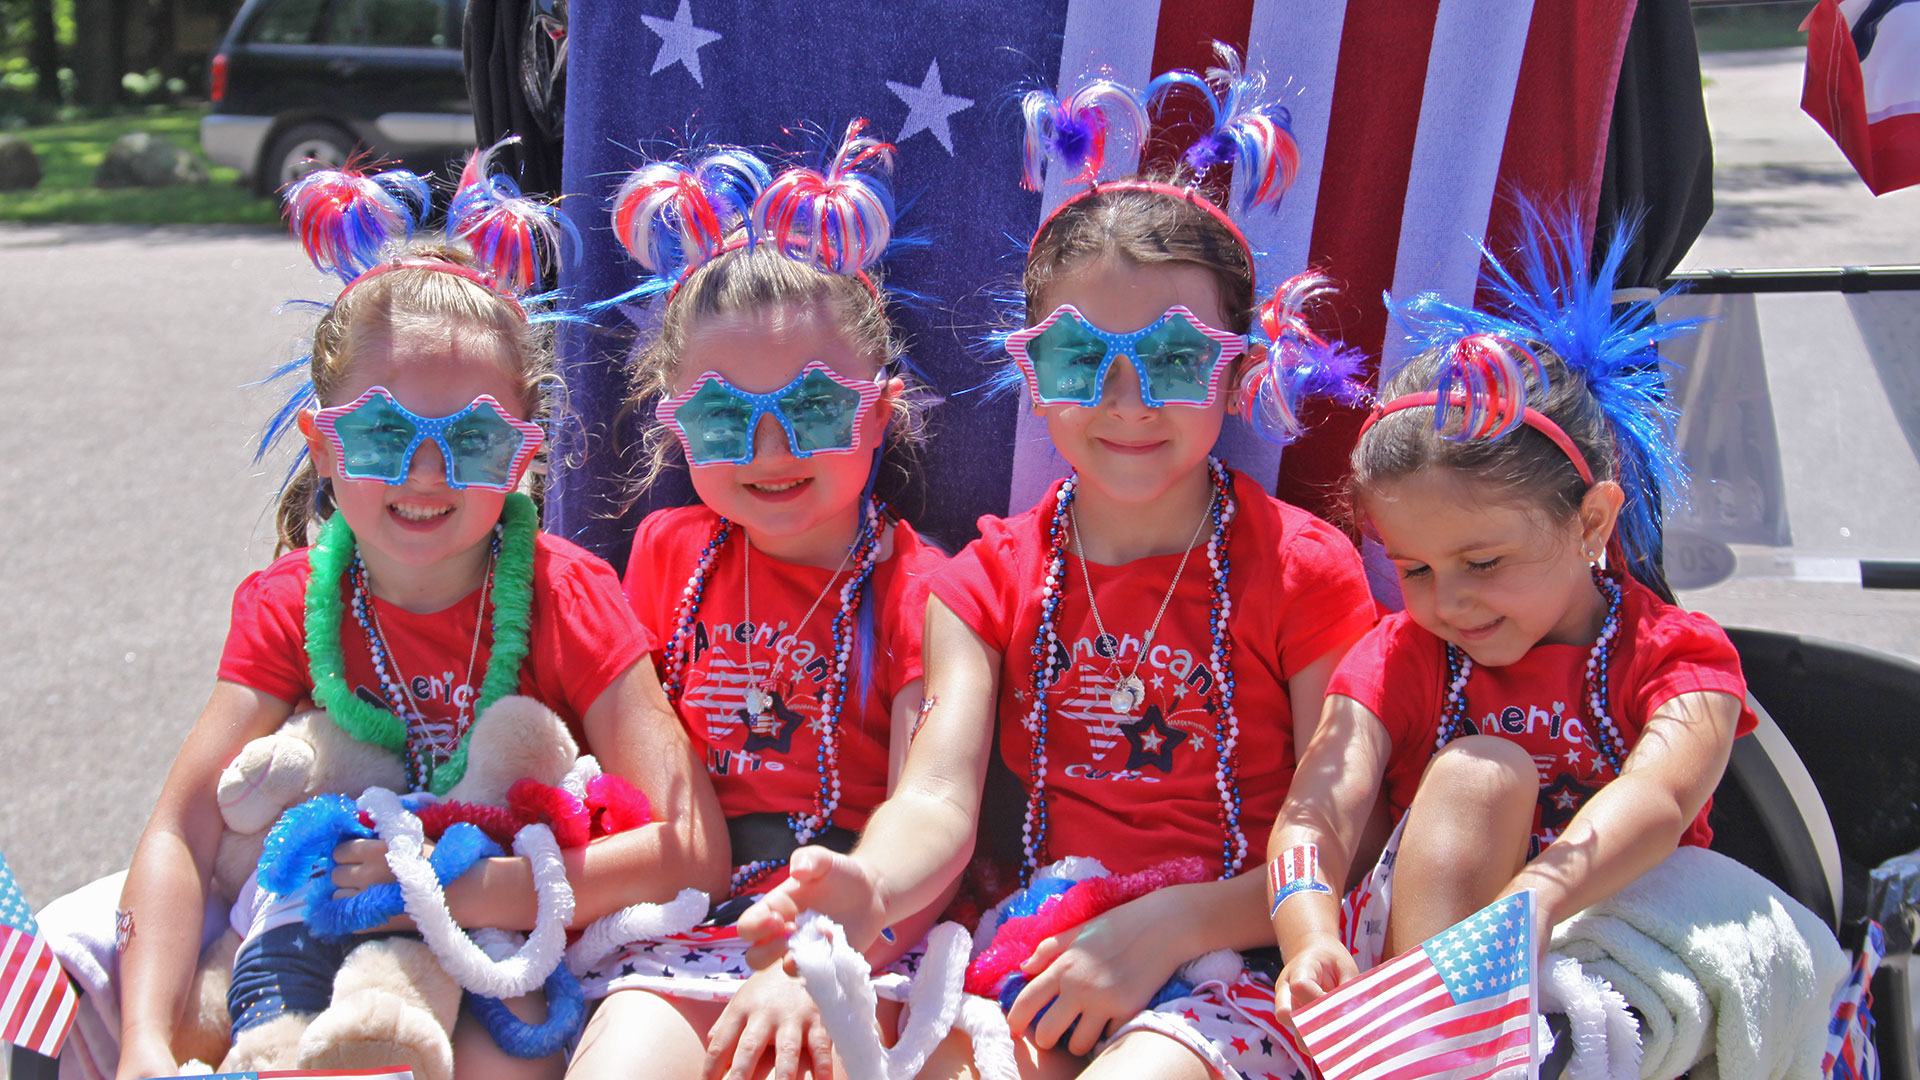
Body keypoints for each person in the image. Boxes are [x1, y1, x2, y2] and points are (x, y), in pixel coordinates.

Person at [740, 56, 1378, 1080]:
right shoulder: (984, 579)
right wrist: (869, 890)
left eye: (1173, 359)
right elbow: (938, 799)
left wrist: (1169, 930)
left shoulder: (1307, 569)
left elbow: (1341, 827)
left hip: (1247, 960)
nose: (1127, 402)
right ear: (1034, 374)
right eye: (1084, 360)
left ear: (1240, 368)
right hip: (1042, 948)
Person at [112, 148, 727, 1080]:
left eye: (471, 439)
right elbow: (179, 831)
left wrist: (467, 889)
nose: (426, 474)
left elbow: (693, 851)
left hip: (505, 945)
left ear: (524, 455)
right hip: (312, 932)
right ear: (323, 445)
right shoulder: (288, 604)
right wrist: (142, 1046)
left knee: (489, 1060)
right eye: (384, 435)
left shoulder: (568, 594)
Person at [1263, 205, 1757, 1028]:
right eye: (1412, 568)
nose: (1447, 601)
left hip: (1612, 939)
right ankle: (1436, 1040)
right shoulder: (1399, 656)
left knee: (1480, 769)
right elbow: (1314, 811)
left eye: (1483, 563)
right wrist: (1307, 931)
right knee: (1478, 777)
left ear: (1592, 523)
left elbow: (1662, 800)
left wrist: (1534, 901)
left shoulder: (1678, 656)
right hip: (1428, 957)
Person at [565, 122, 949, 1080]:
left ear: (881, 407)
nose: (770, 452)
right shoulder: (664, 552)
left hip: (866, 937)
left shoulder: (923, 589)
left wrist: (824, 949)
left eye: (814, 410)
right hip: (682, 930)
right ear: (674, 425)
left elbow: (928, 817)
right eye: (726, 417)